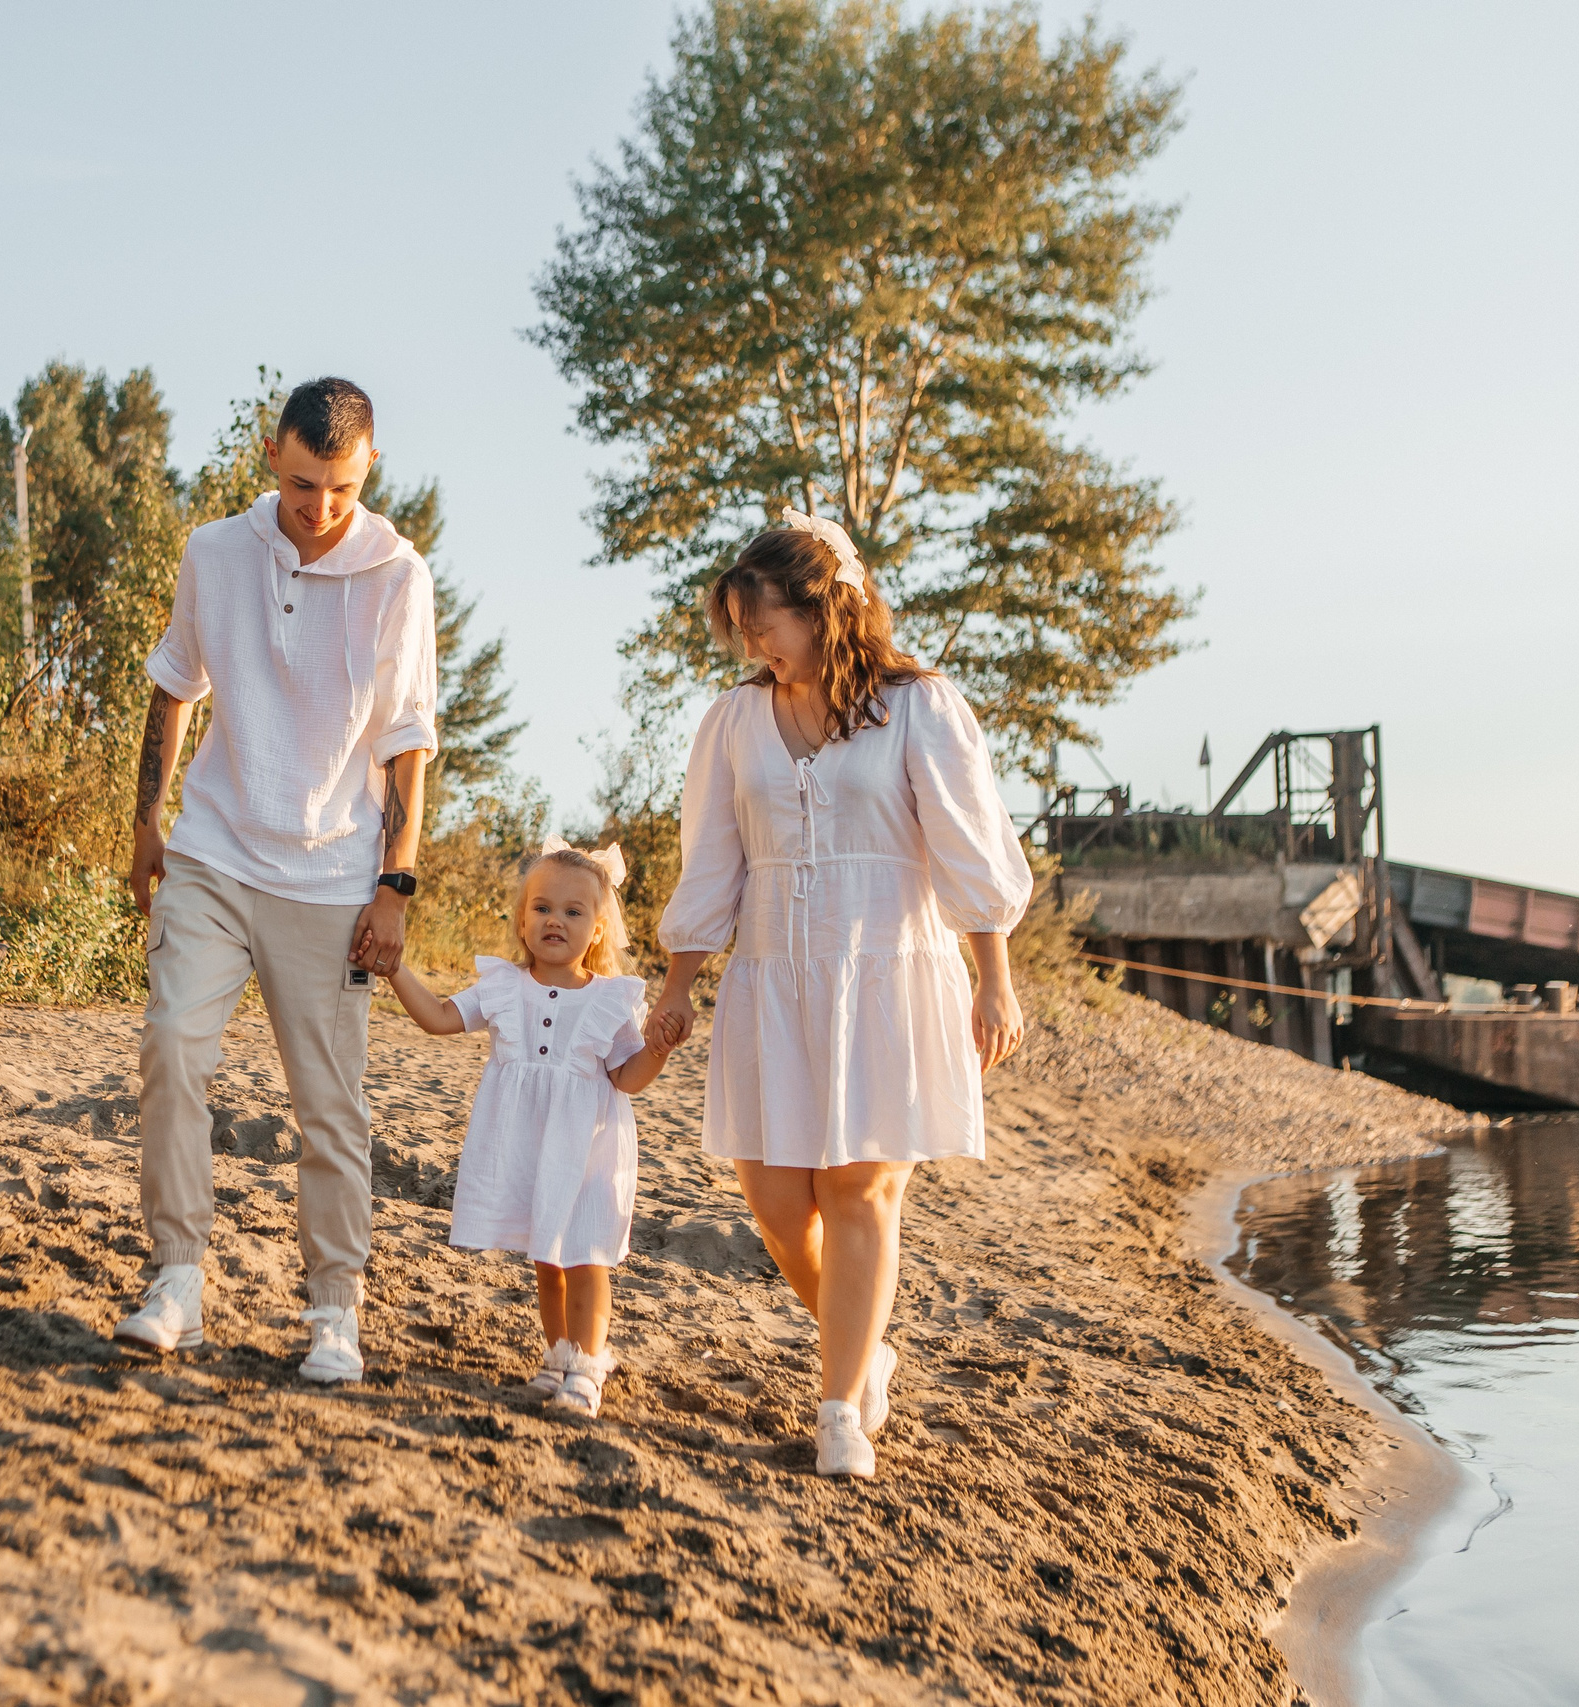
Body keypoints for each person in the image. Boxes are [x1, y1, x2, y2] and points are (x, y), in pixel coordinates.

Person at [648, 515, 1030, 1478]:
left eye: (764, 622)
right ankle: (867, 1351)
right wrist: (679, 982)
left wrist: (995, 978)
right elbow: (712, 864)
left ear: (824, 607)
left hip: (890, 966)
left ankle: (838, 1413)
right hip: (775, 973)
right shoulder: (734, 721)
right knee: (778, 1203)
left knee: (861, 1186)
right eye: (740, 629)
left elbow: (966, 847)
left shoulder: (918, 706)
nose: (753, 645)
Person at [114, 376, 439, 1384]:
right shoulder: (215, 552)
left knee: (329, 1106)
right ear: (271, 455)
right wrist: (144, 822)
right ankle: (177, 1280)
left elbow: (405, 744)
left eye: (342, 488)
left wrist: (396, 883)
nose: (322, 510)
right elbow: (175, 684)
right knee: (172, 1045)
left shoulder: (398, 576)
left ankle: (332, 1311)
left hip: (332, 875)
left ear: (367, 469)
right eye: (305, 485)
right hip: (212, 849)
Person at [380, 839, 684, 1417]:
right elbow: (440, 1018)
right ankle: (560, 1352)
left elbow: (628, 1077)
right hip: (529, 1143)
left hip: (589, 1149)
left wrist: (660, 1050)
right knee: (547, 1255)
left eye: (574, 912)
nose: (556, 920)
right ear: (522, 919)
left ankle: (589, 1367)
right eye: (542, 907)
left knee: (586, 1254)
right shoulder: (502, 987)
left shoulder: (610, 1000)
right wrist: (397, 971)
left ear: (596, 930)